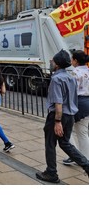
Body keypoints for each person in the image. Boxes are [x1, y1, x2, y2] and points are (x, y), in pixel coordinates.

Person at [36, 49, 89, 183]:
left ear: (57, 64)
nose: (51, 63)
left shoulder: (56, 79)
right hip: (70, 115)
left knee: (50, 143)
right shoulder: (70, 77)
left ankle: (51, 173)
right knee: (65, 143)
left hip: (58, 116)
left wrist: (57, 121)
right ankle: (86, 165)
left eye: (53, 61)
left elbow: (58, 103)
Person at [62, 50, 89, 165]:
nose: (71, 61)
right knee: (82, 132)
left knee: (65, 130)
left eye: (72, 59)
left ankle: (74, 155)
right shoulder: (88, 71)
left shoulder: (74, 73)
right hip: (87, 102)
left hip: (77, 103)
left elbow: (70, 91)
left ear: (76, 61)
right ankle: (84, 159)